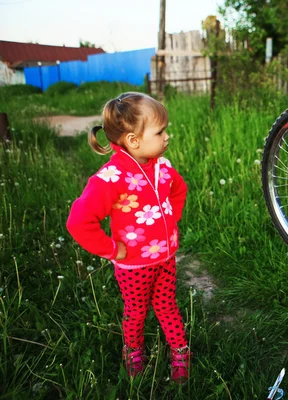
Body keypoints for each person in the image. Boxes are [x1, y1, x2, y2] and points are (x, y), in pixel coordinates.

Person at [66, 92, 191, 383]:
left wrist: (169, 220)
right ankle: (133, 350)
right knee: (136, 311)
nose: (167, 136)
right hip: (133, 265)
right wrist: (111, 248)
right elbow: (78, 221)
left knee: (167, 305)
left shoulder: (163, 167)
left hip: (165, 258)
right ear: (133, 140)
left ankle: (180, 350)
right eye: (160, 131)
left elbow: (179, 190)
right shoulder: (110, 177)